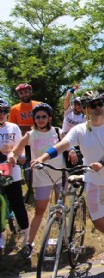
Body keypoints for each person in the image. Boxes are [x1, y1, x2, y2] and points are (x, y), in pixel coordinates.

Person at [30, 91, 104, 266]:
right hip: (94, 180)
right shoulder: (79, 129)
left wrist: (102, 162)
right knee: (99, 222)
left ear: (103, 106)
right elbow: (61, 145)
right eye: (92, 105)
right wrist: (42, 158)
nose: (96, 108)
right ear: (86, 109)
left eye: (99, 104)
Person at [9, 103, 78, 258]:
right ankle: (29, 243)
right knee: (39, 211)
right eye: (37, 117)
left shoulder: (57, 132)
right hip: (42, 177)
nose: (40, 119)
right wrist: (12, 156)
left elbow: (68, 144)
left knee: (60, 210)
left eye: (43, 116)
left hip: (60, 175)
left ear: (50, 118)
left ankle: (65, 241)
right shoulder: (30, 135)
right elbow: (16, 150)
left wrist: (72, 151)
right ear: (34, 119)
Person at [0, 98, 29, 253]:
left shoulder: (13, 127)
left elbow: (21, 147)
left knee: (17, 204)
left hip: (13, 170)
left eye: (4, 111)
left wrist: (21, 157)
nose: (1, 114)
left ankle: (26, 236)